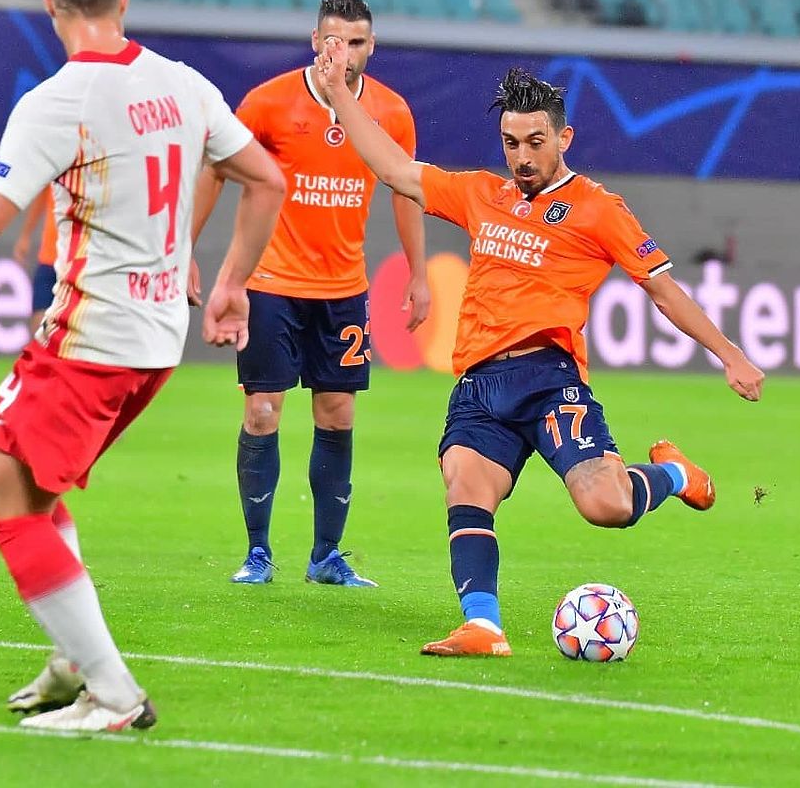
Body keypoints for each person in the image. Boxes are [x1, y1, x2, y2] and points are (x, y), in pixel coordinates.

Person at [0, 0, 285, 728]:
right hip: (154, 341)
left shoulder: (60, 100)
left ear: (50, 3)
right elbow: (266, 179)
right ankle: (74, 659)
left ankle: (112, 691)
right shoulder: (183, 84)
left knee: (9, 503)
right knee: (2, 460)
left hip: (91, 337)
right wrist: (232, 282)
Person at [314, 47, 765, 656]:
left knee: (605, 506)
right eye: (511, 143)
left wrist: (729, 354)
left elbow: (662, 289)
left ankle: (677, 473)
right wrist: (340, 94)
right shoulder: (481, 194)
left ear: (563, 138)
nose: (522, 157)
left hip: (548, 378)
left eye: (535, 142)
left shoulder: (598, 209)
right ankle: (483, 626)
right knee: (465, 486)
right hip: (479, 384)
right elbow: (395, 169)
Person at [191, 0, 430, 587]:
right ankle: (258, 553)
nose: (343, 53)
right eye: (334, 41)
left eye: (356, 42)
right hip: (270, 284)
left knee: (338, 412)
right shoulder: (268, 103)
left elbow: (406, 189)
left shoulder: (392, 112)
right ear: (315, 41)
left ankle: (326, 556)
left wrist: (419, 272)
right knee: (262, 410)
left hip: (344, 288)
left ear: (372, 47)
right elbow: (216, 168)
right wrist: (182, 249)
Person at [13, 186, 58, 334]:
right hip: (50, 257)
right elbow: (41, 196)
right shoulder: (54, 173)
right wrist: (25, 235)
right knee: (39, 326)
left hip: (78, 260)